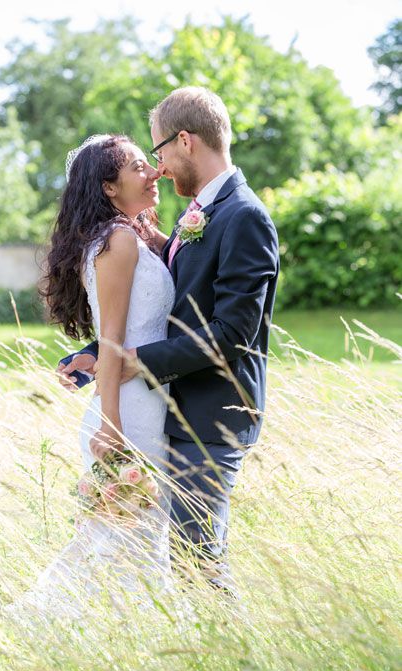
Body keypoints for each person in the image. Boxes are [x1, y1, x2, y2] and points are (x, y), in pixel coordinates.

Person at [58, 87, 280, 600]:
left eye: (158, 152)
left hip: (212, 413)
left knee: (194, 555)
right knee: (162, 555)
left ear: (185, 141)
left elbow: (232, 334)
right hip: (168, 412)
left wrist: (138, 362)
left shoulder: (242, 215)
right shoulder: (196, 215)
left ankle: (236, 666)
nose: (158, 169)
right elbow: (163, 311)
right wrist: (99, 353)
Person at [12, 134, 177, 619]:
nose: (154, 174)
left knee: (125, 532)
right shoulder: (118, 241)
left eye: (153, 166)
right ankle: (132, 627)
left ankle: (87, 623)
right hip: (128, 410)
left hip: (146, 397)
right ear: (109, 187)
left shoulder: (134, 235)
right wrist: (110, 424)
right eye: (139, 168)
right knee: (131, 530)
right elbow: (112, 339)